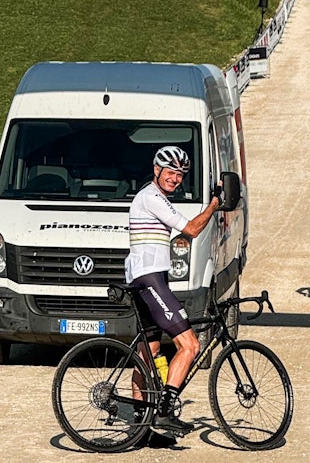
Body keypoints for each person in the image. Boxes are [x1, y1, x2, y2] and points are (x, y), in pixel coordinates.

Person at [126, 146, 222, 436]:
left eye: (180, 175)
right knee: (190, 345)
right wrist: (215, 204)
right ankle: (164, 412)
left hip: (148, 277)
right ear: (156, 171)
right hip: (149, 278)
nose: (175, 179)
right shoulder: (151, 197)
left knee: (148, 352)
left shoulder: (154, 198)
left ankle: (141, 424)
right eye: (170, 172)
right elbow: (191, 229)